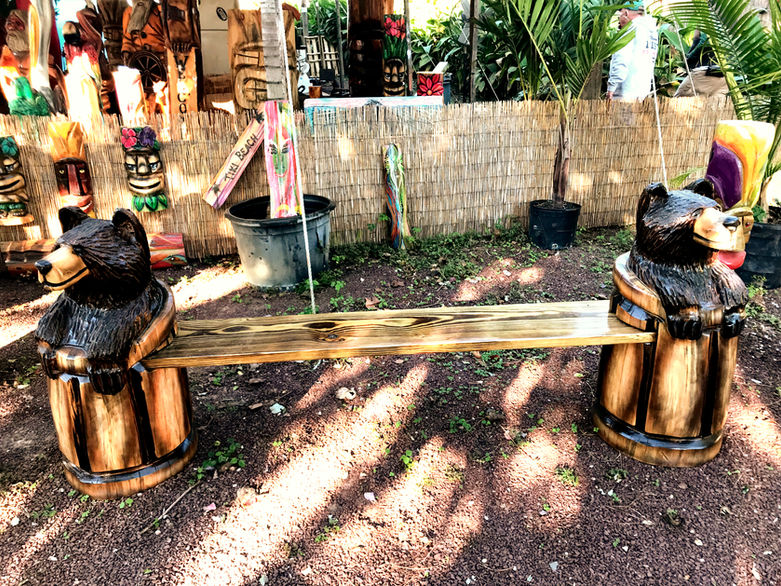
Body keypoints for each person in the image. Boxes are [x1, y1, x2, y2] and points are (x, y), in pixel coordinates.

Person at [607, 1, 658, 101]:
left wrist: (611, 88)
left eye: (620, 13)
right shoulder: (651, 31)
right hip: (642, 89)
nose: (618, 18)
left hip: (625, 90)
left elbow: (621, 58)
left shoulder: (630, 29)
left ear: (625, 13)